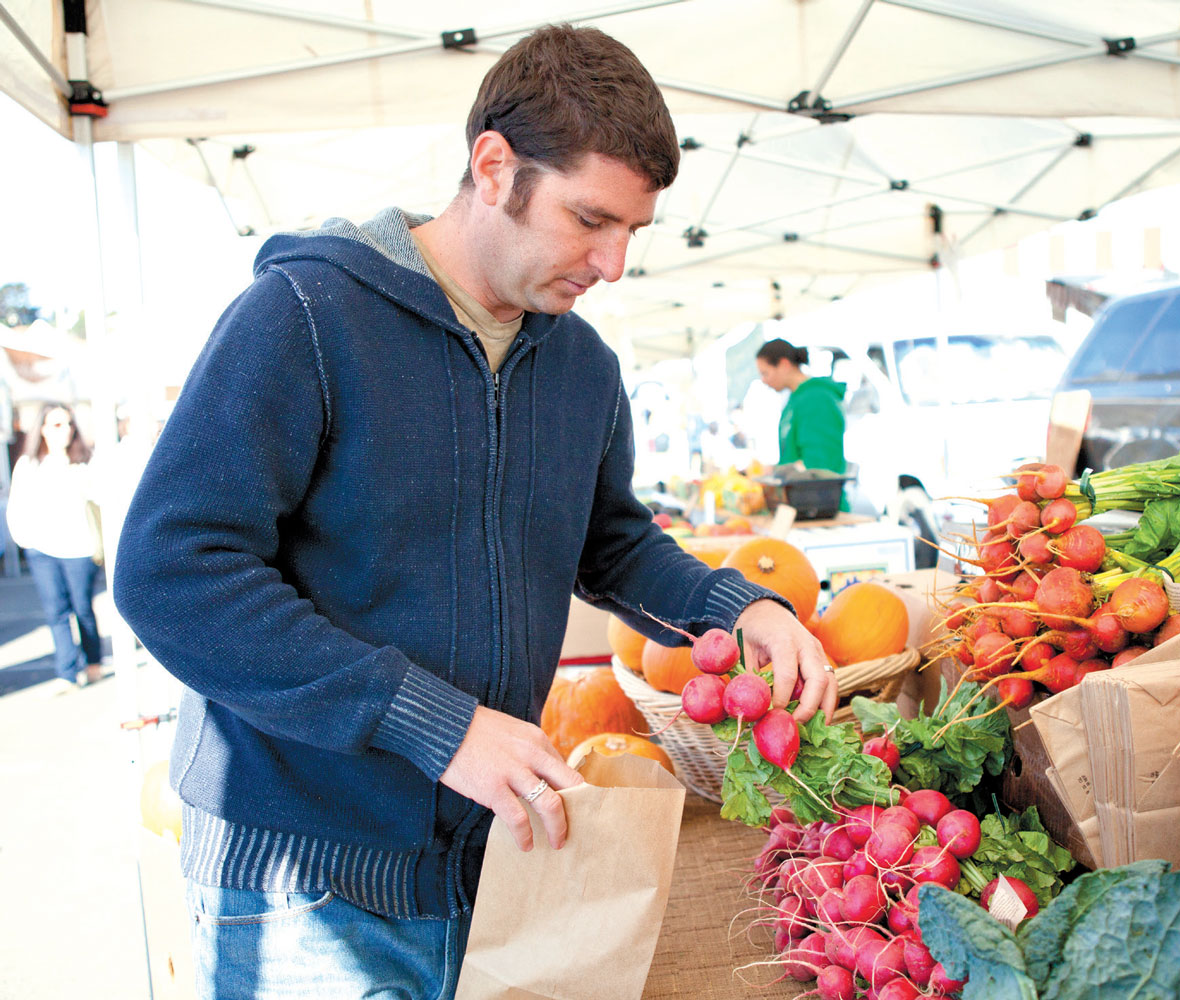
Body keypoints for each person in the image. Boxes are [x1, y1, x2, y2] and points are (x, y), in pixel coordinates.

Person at [112, 25, 834, 999]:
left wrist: (736, 606)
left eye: (633, 230)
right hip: (301, 889)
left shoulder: (582, 366)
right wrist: (432, 722)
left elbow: (609, 542)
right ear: (493, 167)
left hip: (494, 865)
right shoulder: (307, 318)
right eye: (591, 219)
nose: (614, 264)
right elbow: (172, 571)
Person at [6, 403, 103, 689]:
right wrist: (27, 542)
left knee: (82, 608)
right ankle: (67, 673)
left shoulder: (85, 461)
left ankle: (94, 661)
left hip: (80, 549)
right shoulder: (29, 464)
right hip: (42, 551)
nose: (66, 430)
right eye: (57, 424)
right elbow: (17, 507)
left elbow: (100, 498)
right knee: (56, 612)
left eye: (69, 424)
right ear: (43, 429)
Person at [755, 338, 850, 509]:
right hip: (800, 504)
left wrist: (778, 473)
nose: (763, 380)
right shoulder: (796, 398)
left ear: (784, 365)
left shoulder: (817, 399)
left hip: (820, 506)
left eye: (765, 373)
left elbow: (819, 464)